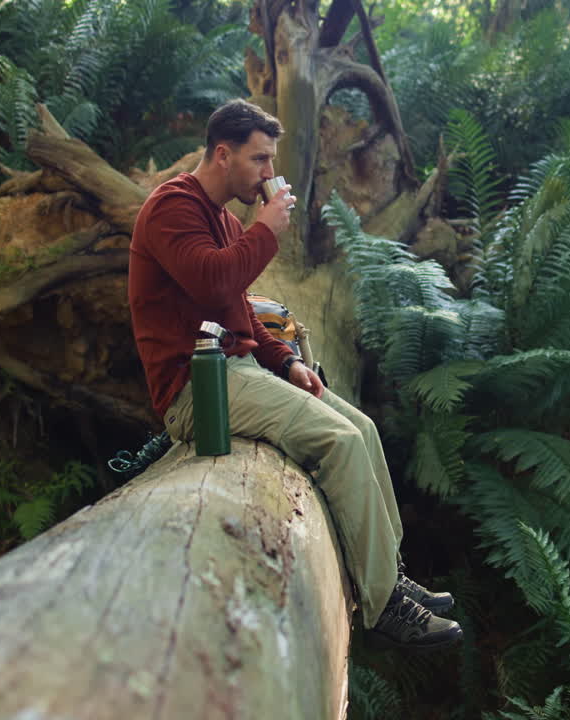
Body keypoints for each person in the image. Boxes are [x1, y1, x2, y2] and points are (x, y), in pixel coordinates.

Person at [127, 99, 461, 650]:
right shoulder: (172, 208)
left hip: (237, 369)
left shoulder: (224, 219)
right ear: (221, 153)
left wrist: (288, 361)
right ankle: (383, 608)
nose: (266, 173)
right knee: (340, 442)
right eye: (259, 160)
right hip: (196, 387)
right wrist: (265, 232)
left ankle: (389, 572)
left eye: (270, 160)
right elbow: (213, 283)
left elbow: (237, 313)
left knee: (364, 429)